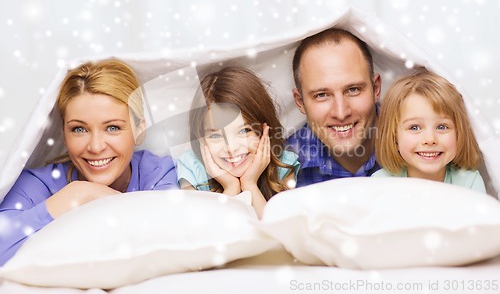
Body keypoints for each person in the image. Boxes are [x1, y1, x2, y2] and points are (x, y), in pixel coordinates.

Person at [0, 59, 178, 265]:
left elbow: (165, 240)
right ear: (64, 134)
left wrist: (105, 199)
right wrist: (77, 194)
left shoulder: (162, 173)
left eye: (112, 128)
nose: (95, 147)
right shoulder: (37, 183)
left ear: (140, 129)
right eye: (79, 129)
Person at [176, 67, 300, 218]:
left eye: (244, 131)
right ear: (201, 138)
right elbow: (207, 234)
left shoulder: (282, 164)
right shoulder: (191, 169)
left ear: (264, 130)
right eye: (215, 136)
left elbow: (278, 232)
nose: (231, 148)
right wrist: (231, 187)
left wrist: (250, 185)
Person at [287, 27, 382, 187]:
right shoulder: (283, 167)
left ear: (376, 89)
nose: (341, 113)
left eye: (353, 90)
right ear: (300, 102)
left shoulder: (421, 144)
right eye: (322, 95)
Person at [372, 68, 486, 192]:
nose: (430, 139)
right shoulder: (380, 183)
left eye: (442, 127)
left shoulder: (469, 182)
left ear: (458, 132)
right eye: (414, 128)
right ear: (394, 136)